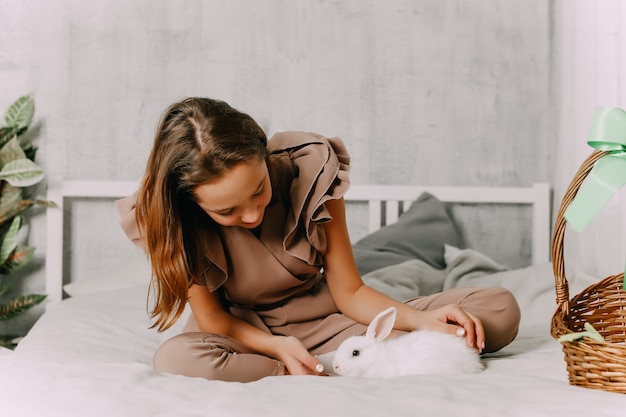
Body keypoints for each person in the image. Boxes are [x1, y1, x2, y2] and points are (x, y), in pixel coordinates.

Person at [117, 97, 521, 382]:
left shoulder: (310, 174)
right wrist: (277, 349)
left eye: (259, 191)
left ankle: (335, 362)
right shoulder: (171, 219)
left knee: (499, 309)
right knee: (175, 358)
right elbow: (214, 321)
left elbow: (349, 291)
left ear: (263, 153)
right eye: (227, 213)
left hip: (333, 320)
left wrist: (422, 321)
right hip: (245, 333)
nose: (253, 215)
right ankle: (304, 368)